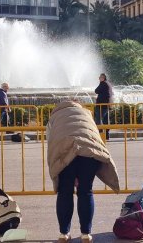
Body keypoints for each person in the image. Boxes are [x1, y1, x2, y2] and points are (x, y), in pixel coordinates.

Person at [47, 100, 120, 243]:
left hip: (64, 151)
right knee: (85, 191)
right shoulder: (86, 113)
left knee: (64, 191)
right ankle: (85, 234)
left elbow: (51, 140)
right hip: (89, 153)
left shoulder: (55, 116)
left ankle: (64, 234)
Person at [94, 73, 114, 140]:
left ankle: (100, 135)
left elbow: (96, 91)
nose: (100, 78)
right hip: (106, 105)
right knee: (105, 120)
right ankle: (106, 135)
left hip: (101, 105)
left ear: (104, 78)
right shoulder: (107, 84)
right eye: (100, 77)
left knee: (98, 119)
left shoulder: (103, 83)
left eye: (101, 77)